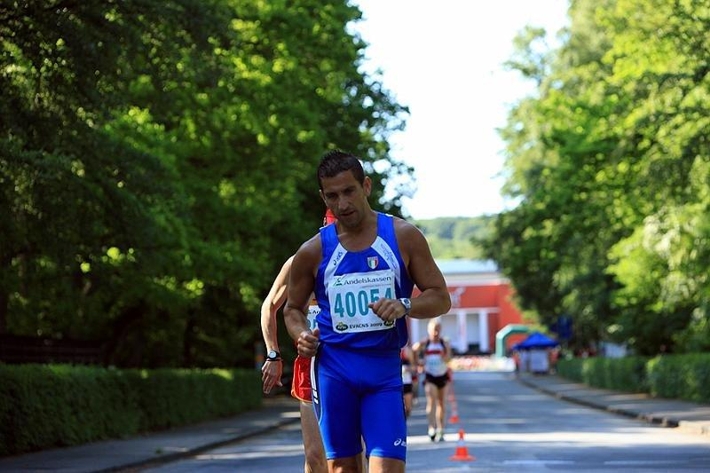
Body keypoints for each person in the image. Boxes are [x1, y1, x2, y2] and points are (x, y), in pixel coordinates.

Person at [284, 149, 451, 473]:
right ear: (323, 197)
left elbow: (441, 297)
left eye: (349, 191)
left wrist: (404, 305)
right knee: (343, 470)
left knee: (388, 469)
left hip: (383, 373)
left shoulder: (402, 236)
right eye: (332, 196)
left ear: (367, 187)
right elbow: (291, 309)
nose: (342, 204)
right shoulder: (313, 251)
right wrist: (301, 334)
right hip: (334, 372)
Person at [260, 212, 338, 473]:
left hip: (349, 361)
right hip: (310, 365)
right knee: (315, 456)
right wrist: (273, 355)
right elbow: (269, 306)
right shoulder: (300, 262)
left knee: (344, 457)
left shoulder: (361, 259)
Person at [412, 318, 451, 442]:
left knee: (442, 404)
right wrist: (417, 363)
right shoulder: (425, 343)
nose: (436, 333)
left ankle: (441, 429)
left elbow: (449, 358)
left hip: (442, 375)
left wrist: (444, 357)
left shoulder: (444, 343)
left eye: (438, 330)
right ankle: (431, 428)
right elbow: (413, 350)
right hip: (430, 376)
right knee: (431, 401)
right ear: (429, 330)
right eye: (434, 330)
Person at [400, 344, 417, 418]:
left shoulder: (407, 351)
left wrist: (407, 369)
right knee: (399, 409)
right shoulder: (390, 350)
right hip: (396, 384)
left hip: (407, 382)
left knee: (408, 408)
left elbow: (414, 367)